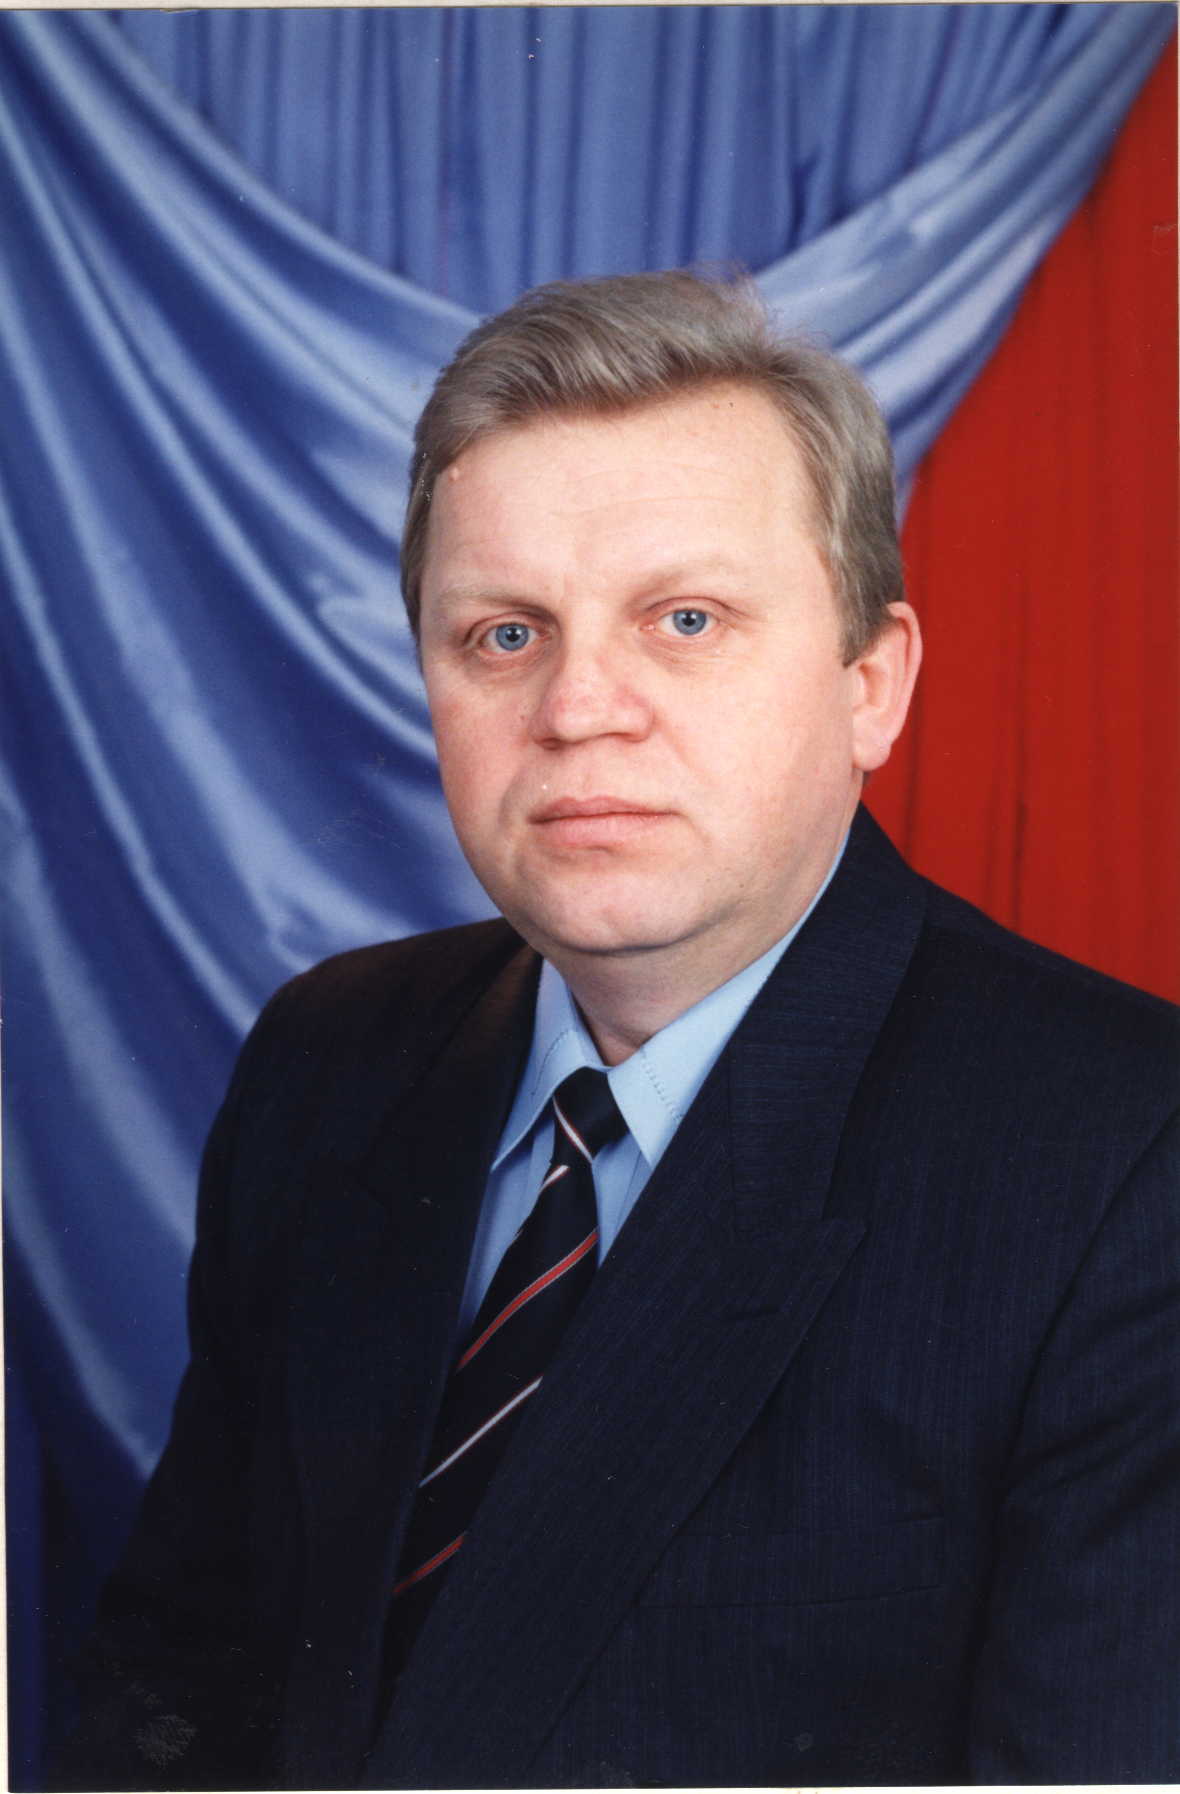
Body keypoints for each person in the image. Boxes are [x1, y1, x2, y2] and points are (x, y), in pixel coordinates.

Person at [54, 271, 1178, 1790]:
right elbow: (174, 1690)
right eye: (504, 633)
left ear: (871, 683)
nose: (580, 707)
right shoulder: (327, 1059)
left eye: (686, 619)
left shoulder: (1123, 1160)